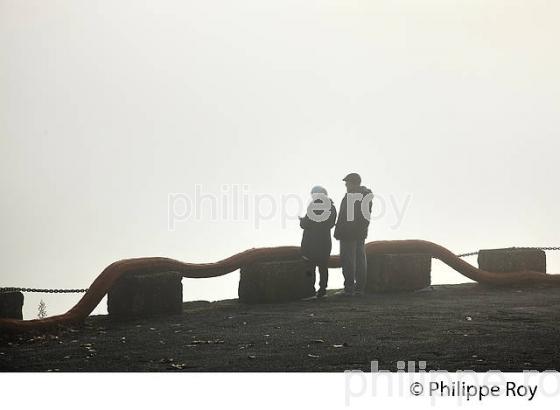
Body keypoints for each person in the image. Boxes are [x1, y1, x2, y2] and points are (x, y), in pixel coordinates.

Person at [334, 173, 374, 296]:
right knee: (360, 260)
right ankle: (359, 288)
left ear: (353, 183)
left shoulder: (352, 196)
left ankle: (349, 289)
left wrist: (342, 231)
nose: (346, 184)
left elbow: (347, 218)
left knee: (348, 261)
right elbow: (365, 217)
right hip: (360, 234)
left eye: (347, 182)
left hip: (349, 235)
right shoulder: (365, 196)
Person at [299, 185, 337, 298]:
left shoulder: (314, 207)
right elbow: (330, 224)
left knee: (310, 267)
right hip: (325, 241)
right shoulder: (332, 207)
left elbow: (305, 224)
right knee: (323, 267)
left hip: (311, 242)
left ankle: (309, 290)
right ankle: (322, 289)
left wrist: (302, 221)